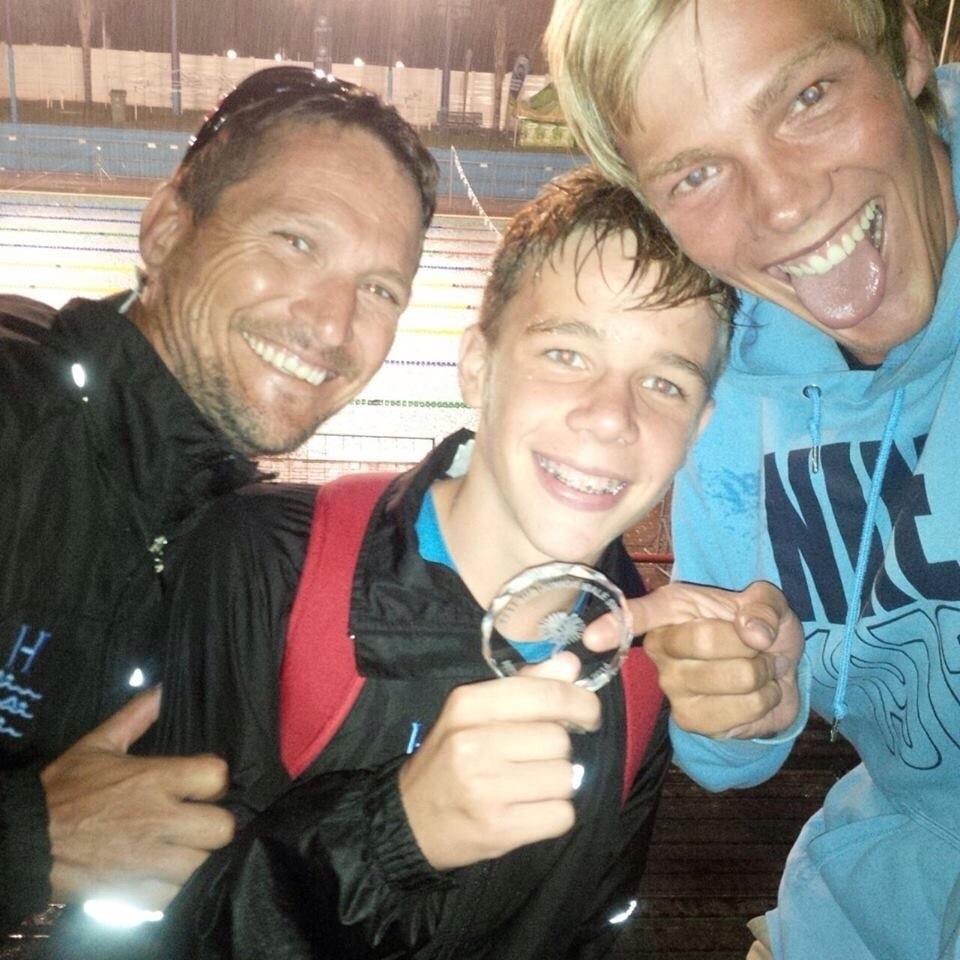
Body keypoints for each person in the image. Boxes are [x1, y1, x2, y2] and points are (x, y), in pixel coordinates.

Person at [147, 165, 737, 959]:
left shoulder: (637, 677)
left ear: (699, 427)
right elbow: (156, 921)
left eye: (664, 383)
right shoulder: (265, 564)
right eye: (566, 352)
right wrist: (394, 836)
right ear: (477, 368)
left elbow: (588, 936)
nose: (610, 416)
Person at [546, 1, 960, 958]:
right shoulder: (729, 388)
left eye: (807, 96)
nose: (779, 204)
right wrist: (739, 697)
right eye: (696, 172)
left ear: (904, 50)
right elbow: (730, 754)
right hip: (874, 896)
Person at [0, 64, 438, 941]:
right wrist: (29, 839)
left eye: (380, 288)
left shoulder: (252, 544)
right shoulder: (15, 417)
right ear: (166, 229)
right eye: (296, 241)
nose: (332, 325)